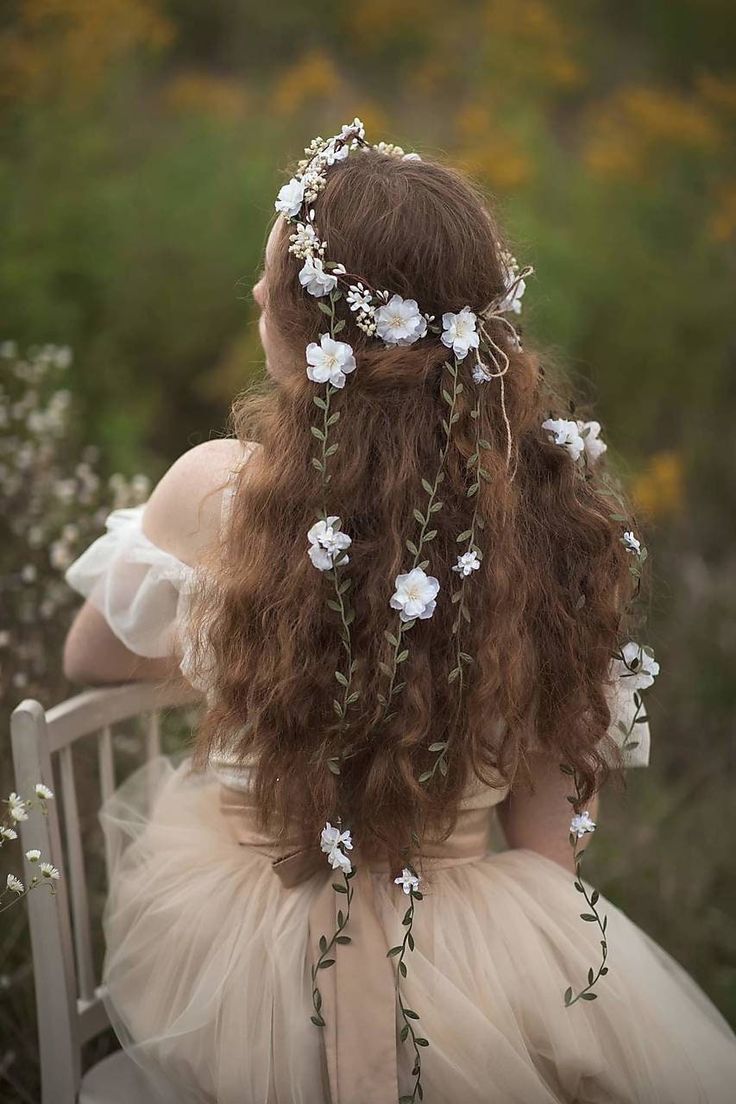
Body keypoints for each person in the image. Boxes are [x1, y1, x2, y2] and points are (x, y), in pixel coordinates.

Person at [63, 121, 736, 1104]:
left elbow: (93, 659)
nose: (254, 295)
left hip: (248, 964)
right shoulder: (546, 526)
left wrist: (239, 635)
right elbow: (551, 851)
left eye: (270, 284)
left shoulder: (219, 493)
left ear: (302, 329)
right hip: (467, 968)